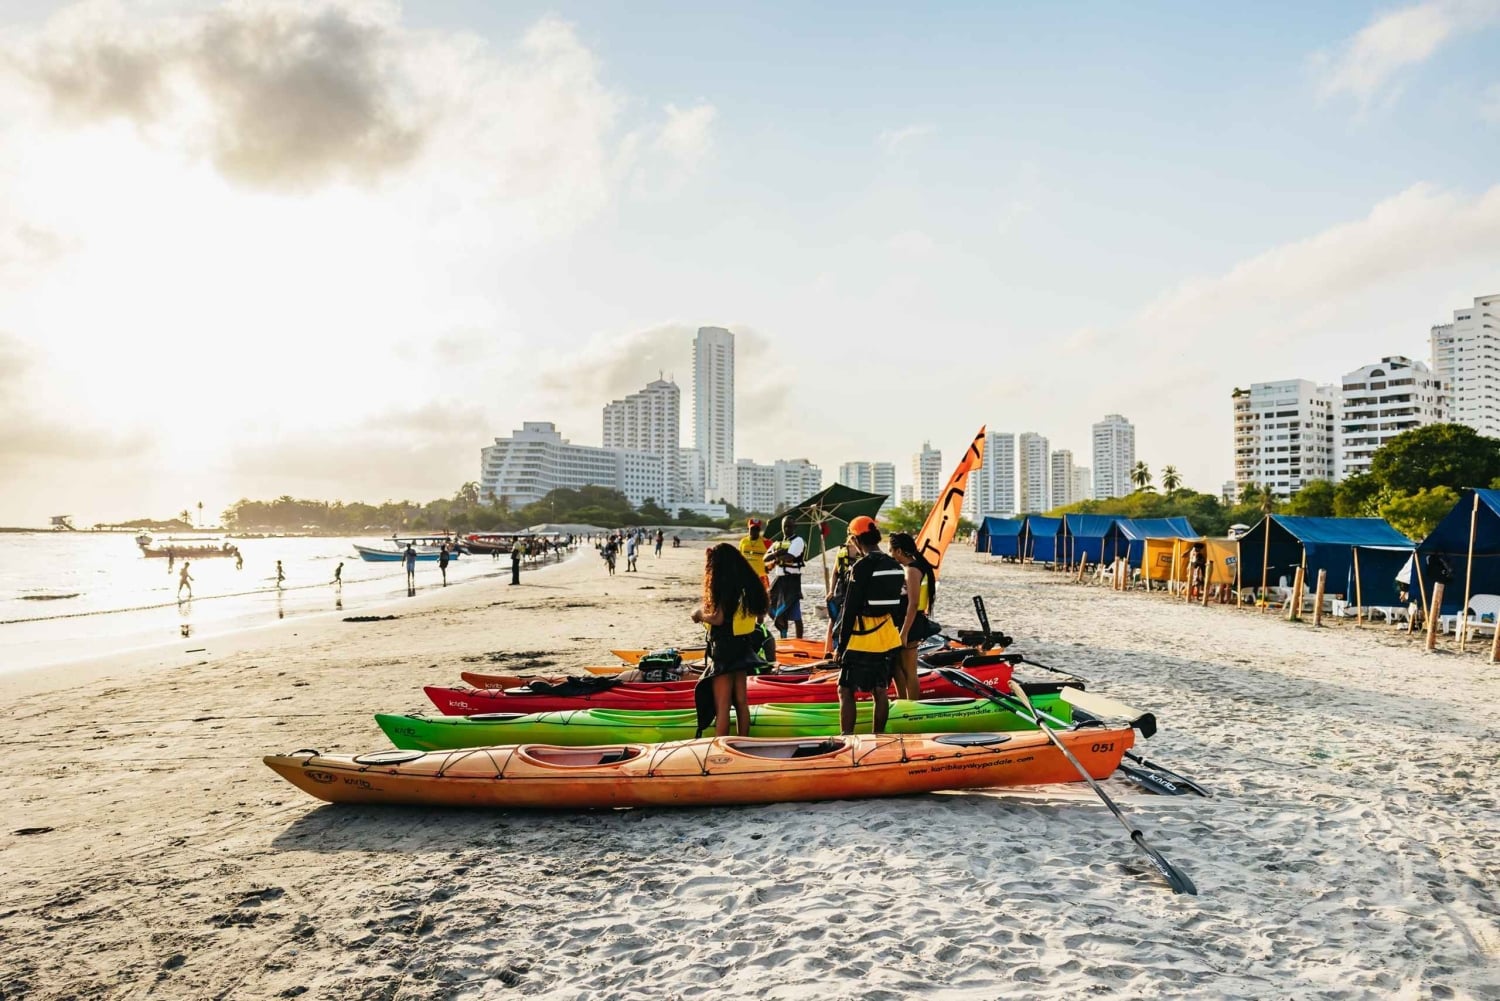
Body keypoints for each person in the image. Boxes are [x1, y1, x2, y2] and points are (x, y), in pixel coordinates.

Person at [834, 516, 906, 734]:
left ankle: (847, 737)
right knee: (880, 690)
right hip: (887, 636)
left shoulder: (861, 567)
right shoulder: (895, 565)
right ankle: (878, 737)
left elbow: (850, 609)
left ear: (856, 540)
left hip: (861, 638)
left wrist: (841, 645)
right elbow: (899, 607)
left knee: (845, 689)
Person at [691, 543, 770, 737]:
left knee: (723, 705)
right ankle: (744, 740)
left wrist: (699, 615)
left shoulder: (725, 586)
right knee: (742, 701)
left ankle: (722, 746)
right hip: (743, 647)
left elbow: (718, 619)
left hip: (724, 650)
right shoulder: (747, 586)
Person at [889, 532, 939, 701]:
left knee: (909, 670)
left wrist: (904, 633)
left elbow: (914, 603)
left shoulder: (912, 569)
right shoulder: (908, 567)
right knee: (896, 667)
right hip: (903, 623)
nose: (890, 555)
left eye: (891, 551)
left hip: (910, 624)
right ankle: (902, 701)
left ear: (899, 551)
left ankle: (912, 705)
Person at [766, 515, 807, 640]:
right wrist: (777, 553)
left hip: (792, 580)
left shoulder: (798, 541)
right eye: (785, 527)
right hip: (779, 580)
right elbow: (765, 558)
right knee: (772, 606)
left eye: (790, 526)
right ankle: (783, 636)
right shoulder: (777, 543)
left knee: (795, 613)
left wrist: (775, 559)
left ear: (795, 527)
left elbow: (790, 556)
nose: (787, 529)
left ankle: (799, 640)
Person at [739, 518, 771, 592]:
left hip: (761, 577)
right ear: (748, 529)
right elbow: (739, 559)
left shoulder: (767, 542)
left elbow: (774, 557)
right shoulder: (743, 542)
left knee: (763, 598)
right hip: (746, 577)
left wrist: (770, 566)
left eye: (757, 529)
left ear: (760, 530)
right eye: (752, 529)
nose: (755, 531)